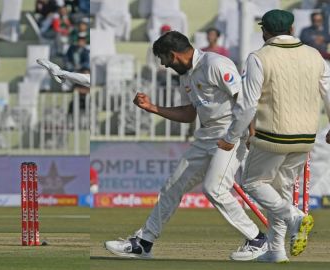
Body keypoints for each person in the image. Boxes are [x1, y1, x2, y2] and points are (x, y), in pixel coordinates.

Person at [104, 31, 267, 260]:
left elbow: (244, 101)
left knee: (215, 189)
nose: (163, 65)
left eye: (164, 59)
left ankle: (257, 239)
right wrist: (153, 108)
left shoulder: (215, 64)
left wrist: (250, 134)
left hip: (230, 136)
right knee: (172, 186)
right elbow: (190, 113)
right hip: (205, 137)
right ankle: (143, 243)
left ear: (173, 54)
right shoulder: (186, 75)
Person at [218, 9, 330, 262]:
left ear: (265, 32)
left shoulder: (259, 57)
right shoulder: (315, 56)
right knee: (281, 191)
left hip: (272, 136)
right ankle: (276, 250)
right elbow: (328, 93)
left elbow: (247, 104)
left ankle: (295, 218)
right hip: (305, 139)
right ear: (291, 30)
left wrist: (232, 136)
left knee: (253, 183)